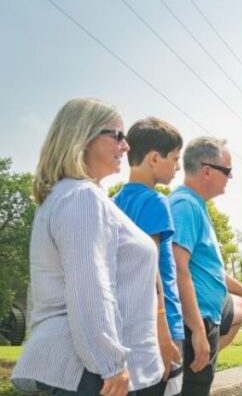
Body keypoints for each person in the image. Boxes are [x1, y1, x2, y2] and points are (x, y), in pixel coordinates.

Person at [12, 98, 164, 395]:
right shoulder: (82, 197)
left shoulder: (71, 195)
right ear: (83, 137)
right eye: (117, 136)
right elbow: (90, 287)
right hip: (91, 374)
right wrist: (111, 365)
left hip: (86, 370)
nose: (126, 146)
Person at [169, 136, 242, 394]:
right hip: (195, 321)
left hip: (209, 315)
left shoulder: (195, 205)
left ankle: (211, 350)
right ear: (207, 171)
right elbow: (177, 268)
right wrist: (198, 331)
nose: (230, 177)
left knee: (239, 306)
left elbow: (210, 269)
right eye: (227, 171)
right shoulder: (185, 206)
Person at [112, 118, 184, 396]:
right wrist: (163, 332)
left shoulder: (114, 202)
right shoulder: (155, 202)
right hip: (160, 326)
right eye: (175, 159)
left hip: (128, 326)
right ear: (154, 158)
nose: (178, 167)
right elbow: (148, 271)